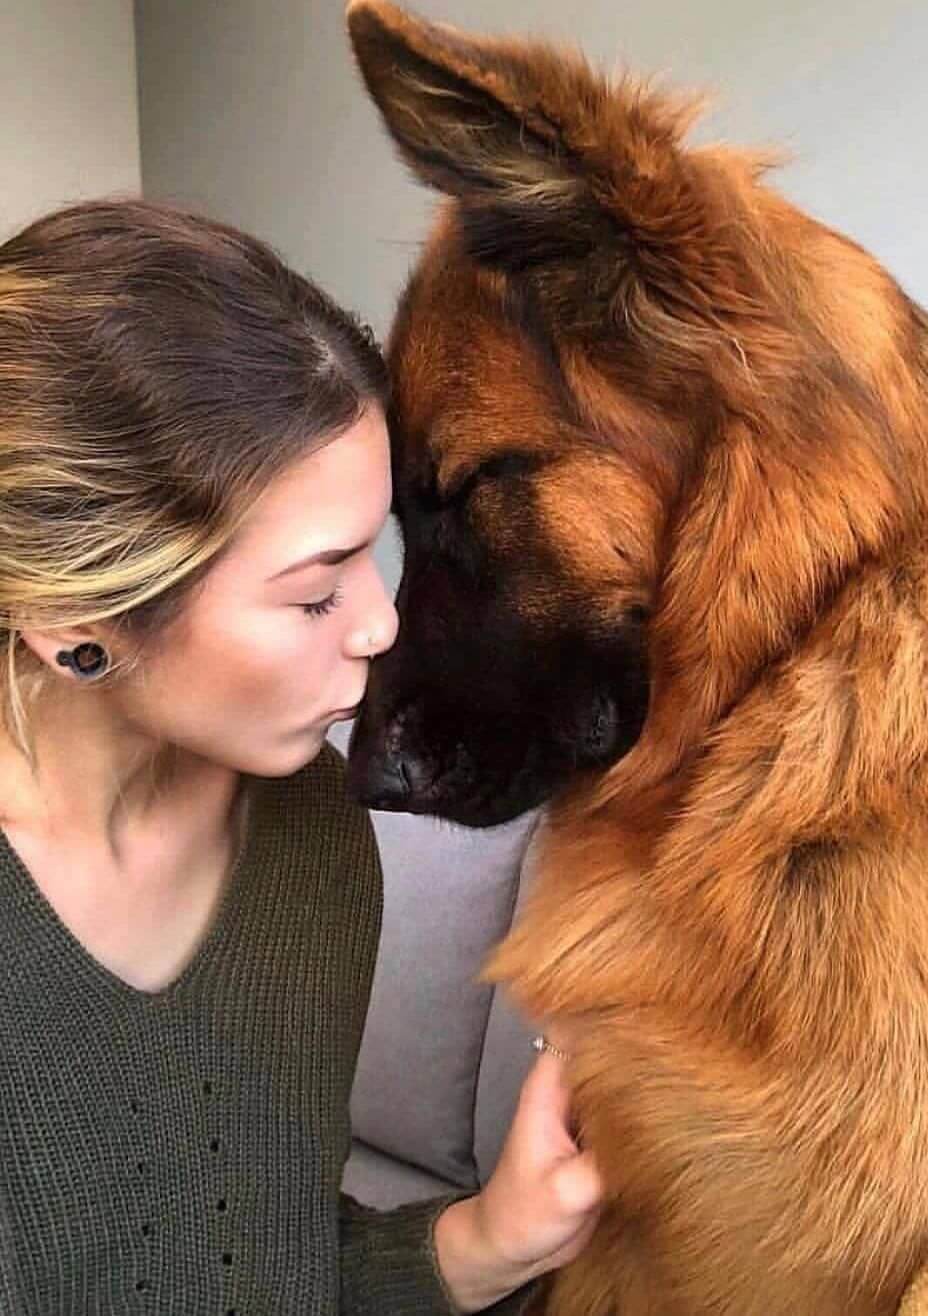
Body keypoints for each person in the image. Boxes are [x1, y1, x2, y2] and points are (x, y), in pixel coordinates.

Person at [0, 199, 602, 1315]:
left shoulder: (312, 828)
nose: (381, 625)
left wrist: (487, 1240)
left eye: (375, 558)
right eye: (317, 591)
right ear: (75, 617)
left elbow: (259, 1253)